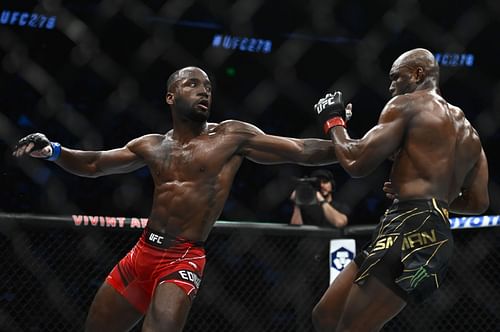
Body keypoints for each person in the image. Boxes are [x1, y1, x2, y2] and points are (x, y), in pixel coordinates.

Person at [12, 66, 340, 332]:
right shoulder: (152, 145)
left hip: (182, 258)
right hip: (142, 253)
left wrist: (354, 147)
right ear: (171, 96)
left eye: (208, 86)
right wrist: (54, 151)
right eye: (193, 84)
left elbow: (301, 150)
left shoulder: (230, 136)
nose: (204, 91)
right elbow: (95, 163)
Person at [311, 48, 489, 332]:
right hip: (427, 228)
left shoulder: (406, 105)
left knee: (352, 328)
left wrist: (333, 121)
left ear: (418, 74)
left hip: (411, 227)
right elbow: (478, 202)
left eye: (395, 77)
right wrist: (432, 199)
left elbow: (356, 162)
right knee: (326, 316)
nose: (390, 86)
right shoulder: (471, 134)